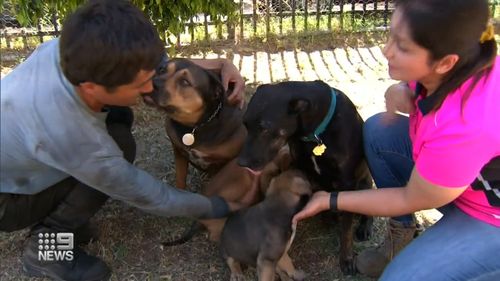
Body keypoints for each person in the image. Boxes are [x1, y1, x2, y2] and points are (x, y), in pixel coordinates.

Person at [0, 0, 245, 280]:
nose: (152, 86)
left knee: (117, 122)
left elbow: (154, 63)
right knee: (119, 147)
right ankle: (48, 246)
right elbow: (152, 196)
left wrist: (221, 65)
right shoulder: (75, 136)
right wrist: (220, 206)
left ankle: (62, 212)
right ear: (92, 87)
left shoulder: (77, 49)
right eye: (140, 84)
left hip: (19, 152)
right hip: (7, 201)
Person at [293, 0, 500, 280]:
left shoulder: (464, 125)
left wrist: (329, 200)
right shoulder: (461, 60)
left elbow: (408, 197)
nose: (386, 50)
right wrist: (403, 89)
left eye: (402, 46)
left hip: (489, 216)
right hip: (461, 180)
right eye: (391, 35)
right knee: (379, 132)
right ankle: (403, 234)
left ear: (445, 62)